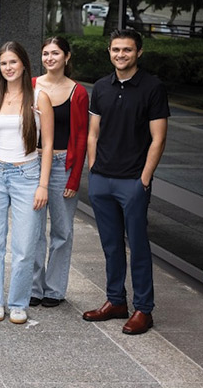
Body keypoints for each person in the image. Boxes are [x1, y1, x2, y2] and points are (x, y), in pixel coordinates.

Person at [82, 29, 169, 335]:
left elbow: (158, 138)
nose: (121, 54)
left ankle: (144, 309)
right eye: (116, 49)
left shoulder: (152, 87)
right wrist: (94, 170)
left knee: (139, 247)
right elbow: (93, 132)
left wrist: (143, 179)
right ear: (109, 52)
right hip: (102, 180)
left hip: (132, 181)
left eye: (127, 50)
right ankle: (116, 301)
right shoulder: (101, 87)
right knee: (110, 245)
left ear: (139, 52)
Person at [0, 41, 53, 325]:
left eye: (13, 62)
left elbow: (48, 144)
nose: (8, 67)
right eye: (4, 63)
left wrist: (43, 185)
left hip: (27, 176)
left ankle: (18, 303)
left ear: (24, 64)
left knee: (24, 246)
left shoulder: (39, 98)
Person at [31, 37, 88, 308]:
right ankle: (33, 287)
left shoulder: (78, 92)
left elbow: (81, 136)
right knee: (33, 230)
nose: (50, 58)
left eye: (55, 53)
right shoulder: (31, 85)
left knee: (62, 231)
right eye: (45, 53)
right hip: (33, 162)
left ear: (67, 56)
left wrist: (74, 178)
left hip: (63, 164)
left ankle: (54, 290)